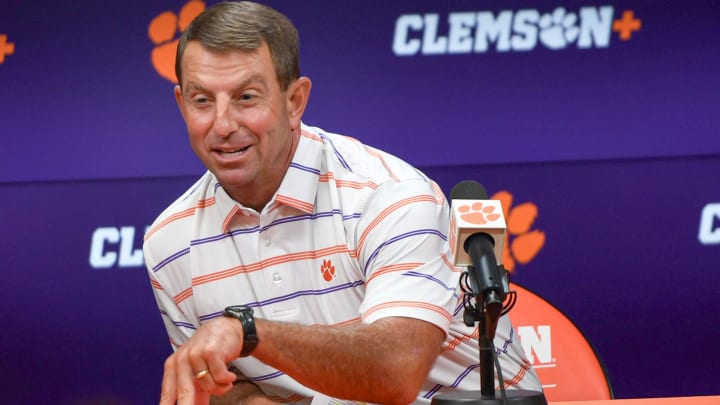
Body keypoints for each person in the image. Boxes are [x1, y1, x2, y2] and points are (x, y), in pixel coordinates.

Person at [143, 1, 542, 404]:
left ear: (295, 101)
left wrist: (246, 331)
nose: (223, 125)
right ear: (180, 105)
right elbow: (218, 388)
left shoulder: (389, 195)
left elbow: (396, 372)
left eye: (247, 97)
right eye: (202, 101)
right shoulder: (169, 243)